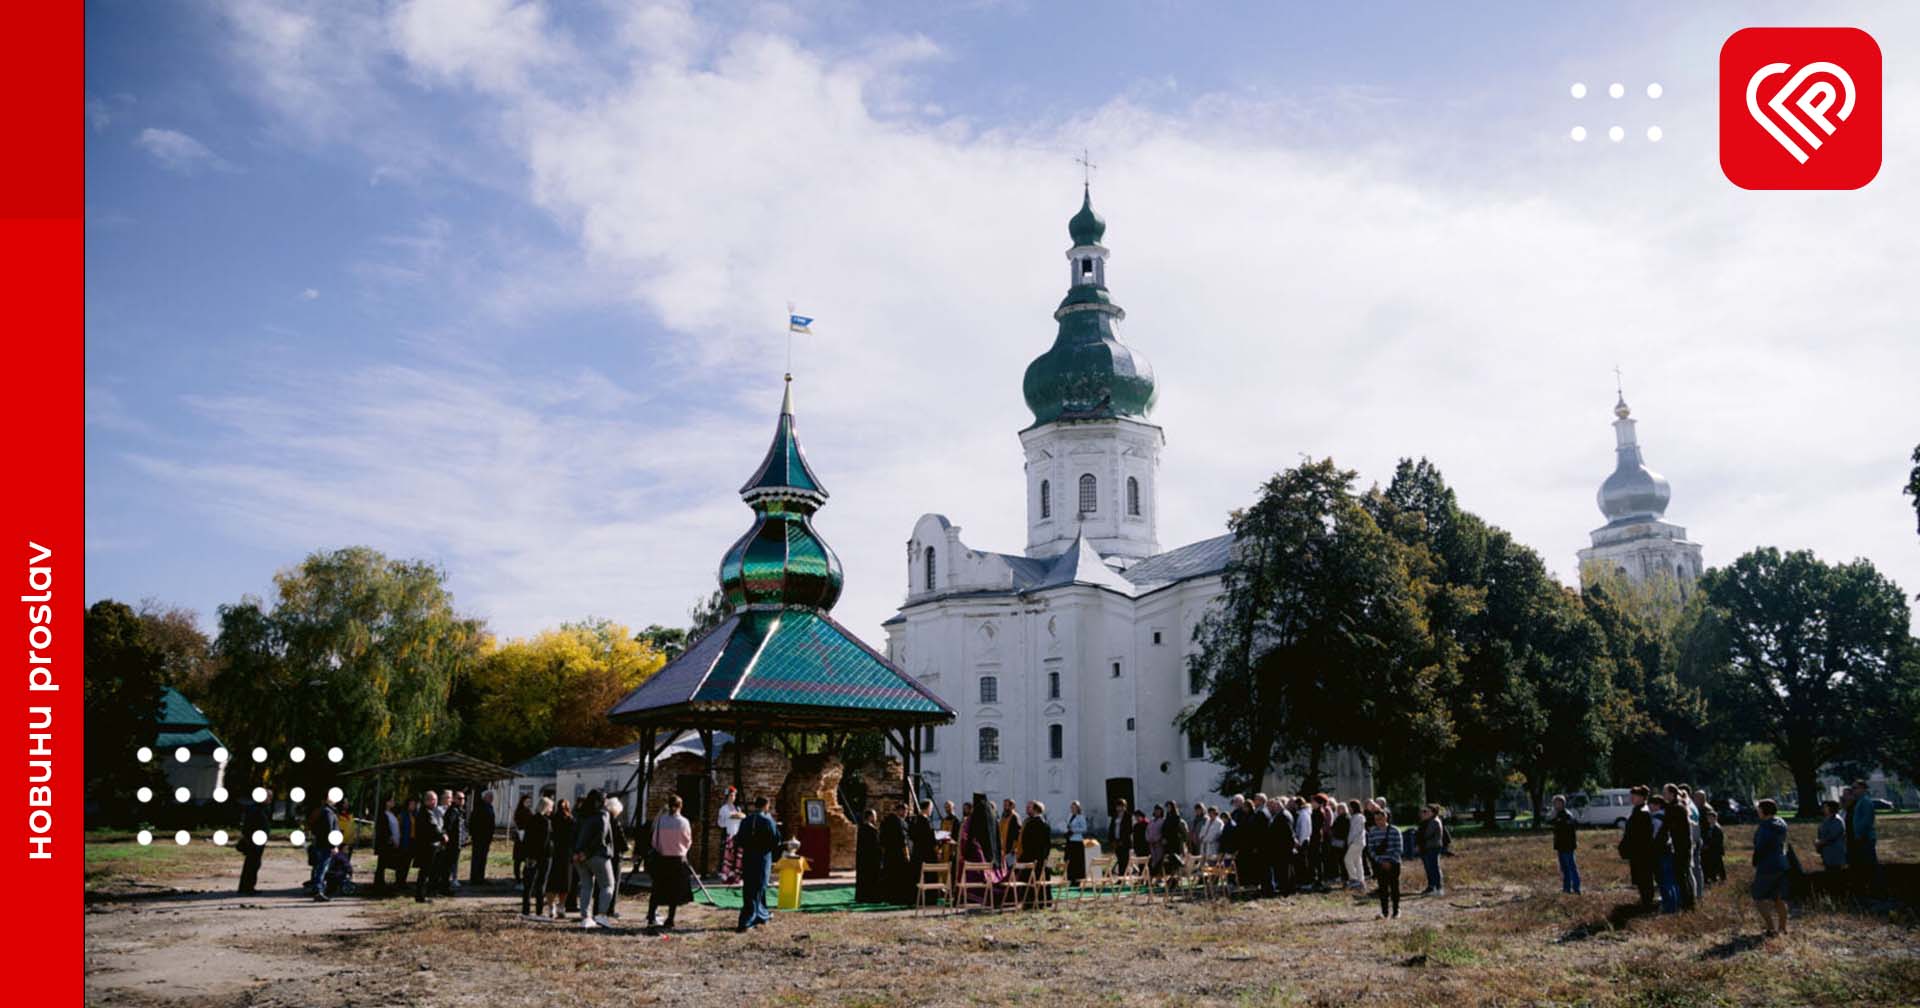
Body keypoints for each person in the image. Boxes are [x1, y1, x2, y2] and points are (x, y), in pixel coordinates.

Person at [646, 793, 694, 932]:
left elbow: (654, 841)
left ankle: (651, 916)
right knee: (674, 890)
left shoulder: (661, 820)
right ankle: (670, 919)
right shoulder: (684, 822)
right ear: (680, 806)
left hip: (662, 858)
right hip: (677, 859)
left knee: (657, 888)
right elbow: (688, 840)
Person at [735, 795, 781, 932]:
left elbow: (739, 839)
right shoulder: (767, 820)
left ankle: (761, 913)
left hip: (748, 857)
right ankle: (750, 918)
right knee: (760, 886)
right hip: (762, 857)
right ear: (766, 805)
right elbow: (776, 839)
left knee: (750, 887)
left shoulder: (746, 820)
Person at [573, 789, 615, 928]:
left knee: (586, 886)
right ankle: (602, 915)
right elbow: (600, 836)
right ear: (601, 801)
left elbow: (573, 833)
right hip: (597, 854)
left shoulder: (580, 814)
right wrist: (588, 852)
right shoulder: (603, 814)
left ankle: (585, 917)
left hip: (578, 855)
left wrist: (577, 852)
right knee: (608, 885)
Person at [1750, 798, 1791, 936]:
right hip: (1782, 863)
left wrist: (1755, 861)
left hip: (1767, 866)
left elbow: (1760, 847)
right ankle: (1783, 928)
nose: (1757, 810)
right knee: (1779, 898)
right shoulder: (1781, 823)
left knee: (1758, 897)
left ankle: (1771, 928)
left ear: (1763, 810)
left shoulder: (1765, 827)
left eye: (1759, 808)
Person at [957, 794, 1003, 905]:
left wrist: (963, 851)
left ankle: (971, 897)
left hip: (975, 853)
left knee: (974, 875)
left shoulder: (973, 818)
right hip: (991, 854)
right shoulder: (992, 817)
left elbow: (966, 836)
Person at [1620, 785, 1656, 909]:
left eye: (1633, 796)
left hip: (1642, 852)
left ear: (1641, 797)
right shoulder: (1637, 810)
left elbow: (1642, 835)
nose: (1631, 798)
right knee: (1640, 878)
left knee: (1645, 878)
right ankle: (1645, 900)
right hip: (1637, 851)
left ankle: (1647, 902)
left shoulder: (1643, 812)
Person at [1364, 808, 1403, 919]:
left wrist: (1390, 861)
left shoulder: (1395, 830)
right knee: (1382, 888)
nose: (1378, 821)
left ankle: (1396, 910)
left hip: (1394, 863)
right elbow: (1370, 849)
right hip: (1379, 864)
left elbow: (1399, 848)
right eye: (1376, 819)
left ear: (1386, 817)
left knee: (1394, 887)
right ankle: (1384, 911)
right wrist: (1380, 861)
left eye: (1380, 818)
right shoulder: (1372, 831)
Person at [520, 797, 553, 918]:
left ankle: (525, 909)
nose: (551, 809)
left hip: (530, 855)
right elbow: (544, 842)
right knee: (541, 884)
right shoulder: (546, 822)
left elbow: (527, 839)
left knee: (528, 884)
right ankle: (539, 910)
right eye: (550, 807)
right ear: (546, 807)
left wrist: (529, 855)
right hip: (544, 856)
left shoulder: (531, 819)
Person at [1848, 778, 1880, 898]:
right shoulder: (1859, 801)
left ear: (1862, 789)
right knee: (1864, 864)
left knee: (1870, 864)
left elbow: (1866, 821)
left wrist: (1860, 834)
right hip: (1861, 838)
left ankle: (1876, 890)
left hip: (1865, 838)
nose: (1853, 791)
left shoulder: (1866, 802)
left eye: (1855, 788)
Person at [1019, 800, 1054, 906]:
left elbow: (1026, 842)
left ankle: (1030, 902)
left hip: (1030, 857)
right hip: (1042, 857)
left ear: (1035, 809)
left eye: (1029, 807)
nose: (1026, 809)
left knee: (1030, 880)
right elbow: (1048, 844)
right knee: (1042, 879)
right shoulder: (1045, 824)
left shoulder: (1031, 824)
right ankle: (1045, 901)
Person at [1648, 795, 1679, 914]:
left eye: (1651, 804)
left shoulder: (1656, 818)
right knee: (1671, 880)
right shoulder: (1667, 814)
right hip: (1668, 850)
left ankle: (1669, 907)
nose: (1649, 806)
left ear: (1657, 805)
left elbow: (1654, 836)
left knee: (1664, 880)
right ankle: (1675, 903)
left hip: (1660, 851)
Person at [413, 790, 446, 904]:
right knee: (425, 872)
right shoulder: (427, 812)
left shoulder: (429, 812)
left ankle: (422, 894)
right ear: (427, 800)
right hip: (427, 846)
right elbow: (434, 828)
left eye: (436, 799)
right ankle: (421, 896)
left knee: (426, 872)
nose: (435, 802)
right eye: (433, 799)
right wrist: (443, 836)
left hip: (428, 845)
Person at [545, 797, 575, 918]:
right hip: (567, 854)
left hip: (555, 852)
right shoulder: (571, 820)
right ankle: (561, 907)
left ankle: (551, 907)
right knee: (565, 882)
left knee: (552, 882)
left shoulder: (553, 819)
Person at [305, 800, 339, 901]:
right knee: (322, 868)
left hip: (319, 843)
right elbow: (329, 830)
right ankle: (319, 891)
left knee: (318, 867)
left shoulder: (321, 812)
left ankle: (316, 889)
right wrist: (333, 845)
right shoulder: (329, 812)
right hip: (326, 845)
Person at [1548, 794, 1581, 895]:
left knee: (1571, 867)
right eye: (1554, 803)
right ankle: (1567, 888)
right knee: (1565, 868)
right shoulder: (1558, 814)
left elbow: (1567, 828)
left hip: (1567, 846)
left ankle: (1576, 888)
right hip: (1561, 846)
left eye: (1557, 803)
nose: (1555, 805)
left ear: (1562, 804)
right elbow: (1549, 822)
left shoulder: (1566, 815)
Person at [373, 796, 404, 896]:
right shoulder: (383, 814)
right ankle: (378, 885)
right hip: (386, 845)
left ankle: (381, 884)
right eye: (391, 801)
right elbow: (383, 830)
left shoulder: (392, 813)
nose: (393, 802)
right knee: (382, 864)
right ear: (386, 803)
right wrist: (390, 839)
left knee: (384, 864)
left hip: (393, 843)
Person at [438, 790, 466, 895]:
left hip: (456, 844)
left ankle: (445, 887)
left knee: (450, 866)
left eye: (463, 798)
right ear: (454, 799)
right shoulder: (453, 811)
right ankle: (444, 888)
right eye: (459, 798)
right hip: (451, 844)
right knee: (447, 867)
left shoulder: (458, 810)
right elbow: (448, 827)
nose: (462, 800)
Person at [604, 796, 628, 918]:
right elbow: (622, 842)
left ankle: (601, 907)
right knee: (615, 883)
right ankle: (611, 909)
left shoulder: (604, 820)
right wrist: (626, 848)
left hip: (605, 855)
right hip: (616, 856)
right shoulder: (616, 823)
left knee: (603, 884)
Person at [909, 800, 937, 903]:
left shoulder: (915, 820)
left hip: (917, 852)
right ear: (928, 808)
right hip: (927, 853)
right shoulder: (925, 821)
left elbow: (911, 835)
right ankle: (929, 898)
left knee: (918, 875)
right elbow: (930, 838)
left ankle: (917, 898)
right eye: (931, 808)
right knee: (928, 875)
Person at [1414, 804, 1445, 896]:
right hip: (1425, 848)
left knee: (1434, 867)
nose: (1423, 814)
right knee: (1428, 868)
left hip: (1433, 847)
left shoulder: (1434, 822)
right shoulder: (1425, 822)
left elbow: (1426, 835)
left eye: (1426, 811)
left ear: (1432, 812)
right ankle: (1431, 886)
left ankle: (1438, 888)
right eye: (1422, 811)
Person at [468, 792, 497, 885]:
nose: (492, 799)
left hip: (486, 838)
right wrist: (474, 834)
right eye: (490, 797)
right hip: (479, 837)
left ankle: (480, 877)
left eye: (492, 797)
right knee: (477, 858)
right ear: (484, 797)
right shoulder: (479, 807)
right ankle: (475, 878)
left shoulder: (489, 807)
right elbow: (473, 822)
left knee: (483, 858)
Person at [716, 786, 743, 884]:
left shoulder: (737, 808)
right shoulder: (724, 808)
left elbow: (742, 818)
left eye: (734, 795)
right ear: (727, 796)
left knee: (738, 857)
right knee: (728, 856)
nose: (733, 797)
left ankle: (736, 877)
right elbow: (720, 823)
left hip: (737, 834)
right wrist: (729, 818)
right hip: (729, 834)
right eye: (731, 795)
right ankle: (726, 876)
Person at [855, 808, 882, 903]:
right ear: (870, 817)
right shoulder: (871, 829)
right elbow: (876, 844)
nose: (876, 817)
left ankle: (862, 896)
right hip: (871, 858)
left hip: (863, 858)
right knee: (870, 877)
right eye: (874, 815)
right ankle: (871, 896)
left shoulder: (861, 828)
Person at [1342, 799, 1367, 891]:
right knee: (1357, 861)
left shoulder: (1358, 817)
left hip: (1356, 842)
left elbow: (1354, 832)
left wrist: (1350, 842)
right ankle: (1361, 880)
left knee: (1347, 859)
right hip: (1359, 842)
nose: (1349, 809)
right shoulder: (1357, 817)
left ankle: (1354, 879)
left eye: (1350, 807)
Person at [1064, 800, 1089, 884]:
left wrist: (1074, 830)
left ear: (1078, 808)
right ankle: (1071, 878)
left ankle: (1078, 879)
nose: (1072, 809)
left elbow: (1084, 829)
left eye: (1074, 807)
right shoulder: (1069, 816)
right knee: (1070, 860)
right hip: (1070, 840)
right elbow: (1067, 825)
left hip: (1077, 841)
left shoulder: (1081, 817)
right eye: (1071, 807)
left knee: (1077, 861)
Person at [1161, 803, 1189, 880]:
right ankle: (1172, 877)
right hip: (1168, 843)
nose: (1168, 809)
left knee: (1177, 859)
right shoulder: (1167, 818)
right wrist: (1164, 838)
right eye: (1167, 807)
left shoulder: (1177, 817)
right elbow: (1164, 829)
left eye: (1169, 807)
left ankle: (1178, 877)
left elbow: (1177, 830)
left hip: (1175, 842)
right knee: (1169, 861)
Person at [511, 794, 533, 883]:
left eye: (530, 802)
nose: (529, 803)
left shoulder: (529, 811)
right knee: (518, 859)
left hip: (527, 838)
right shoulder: (520, 812)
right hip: (520, 837)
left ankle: (524, 877)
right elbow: (518, 822)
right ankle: (517, 877)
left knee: (525, 858)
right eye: (527, 802)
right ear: (522, 802)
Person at [1701, 810, 1727, 885]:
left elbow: (1717, 840)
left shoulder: (1717, 828)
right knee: (1713, 865)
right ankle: (1713, 878)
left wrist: (1708, 845)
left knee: (1719, 865)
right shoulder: (1709, 827)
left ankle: (1722, 878)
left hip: (1716, 850)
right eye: (1708, 818)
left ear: (1715, 818)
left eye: (1711, 818)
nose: (1709, 819)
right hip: (1711, 850)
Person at [395, 797, 416, 889]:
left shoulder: (415, 815)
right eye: (411, 804)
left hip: (412, 841)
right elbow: (398, 828)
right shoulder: (402, 815)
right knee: (401, 862)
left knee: (407, 862)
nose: (413, 806)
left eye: (414, 804)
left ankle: (403, 881)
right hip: (404, 840)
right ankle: (399, 881)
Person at [1108, 799, 1132, 878]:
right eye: (1118, 806)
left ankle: (1124, 878)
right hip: (1116, 841)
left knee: (1125, 860)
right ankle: (1120, 878)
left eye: (1121, 806)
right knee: (1119, 860)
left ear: (1124, 807)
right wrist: (1112, 840)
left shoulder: (1128, 816)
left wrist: (1122, 840)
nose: (1119, 808)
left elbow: (1129, 830)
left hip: (1124, 842)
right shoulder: (1114, 817)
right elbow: (1111, 828)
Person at [998, 799, 1022, 874]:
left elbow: (1017, 834)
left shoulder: (1015, 817)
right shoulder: (1003, 815)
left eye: (1006, 805)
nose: (1004, 807)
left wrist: (1014, 848)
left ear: (1012, 806)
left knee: (1010, 869)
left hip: (1010, 848)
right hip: (1002, 847)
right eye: (1004, 805)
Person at [1146, 804, 1166, 876]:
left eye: (1159, 810)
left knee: (1159, 861)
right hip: (1151, 844)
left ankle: (1159, 877)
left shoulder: (1163, 821)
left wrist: (1157, 839)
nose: (1157, 812)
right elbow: (1147, 831)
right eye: (1156, 810)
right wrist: (1148, 839)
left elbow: (1163, 832)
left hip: (1158, 844)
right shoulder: (1151, 821)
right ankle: (1152, 877)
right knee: (1152, 861)